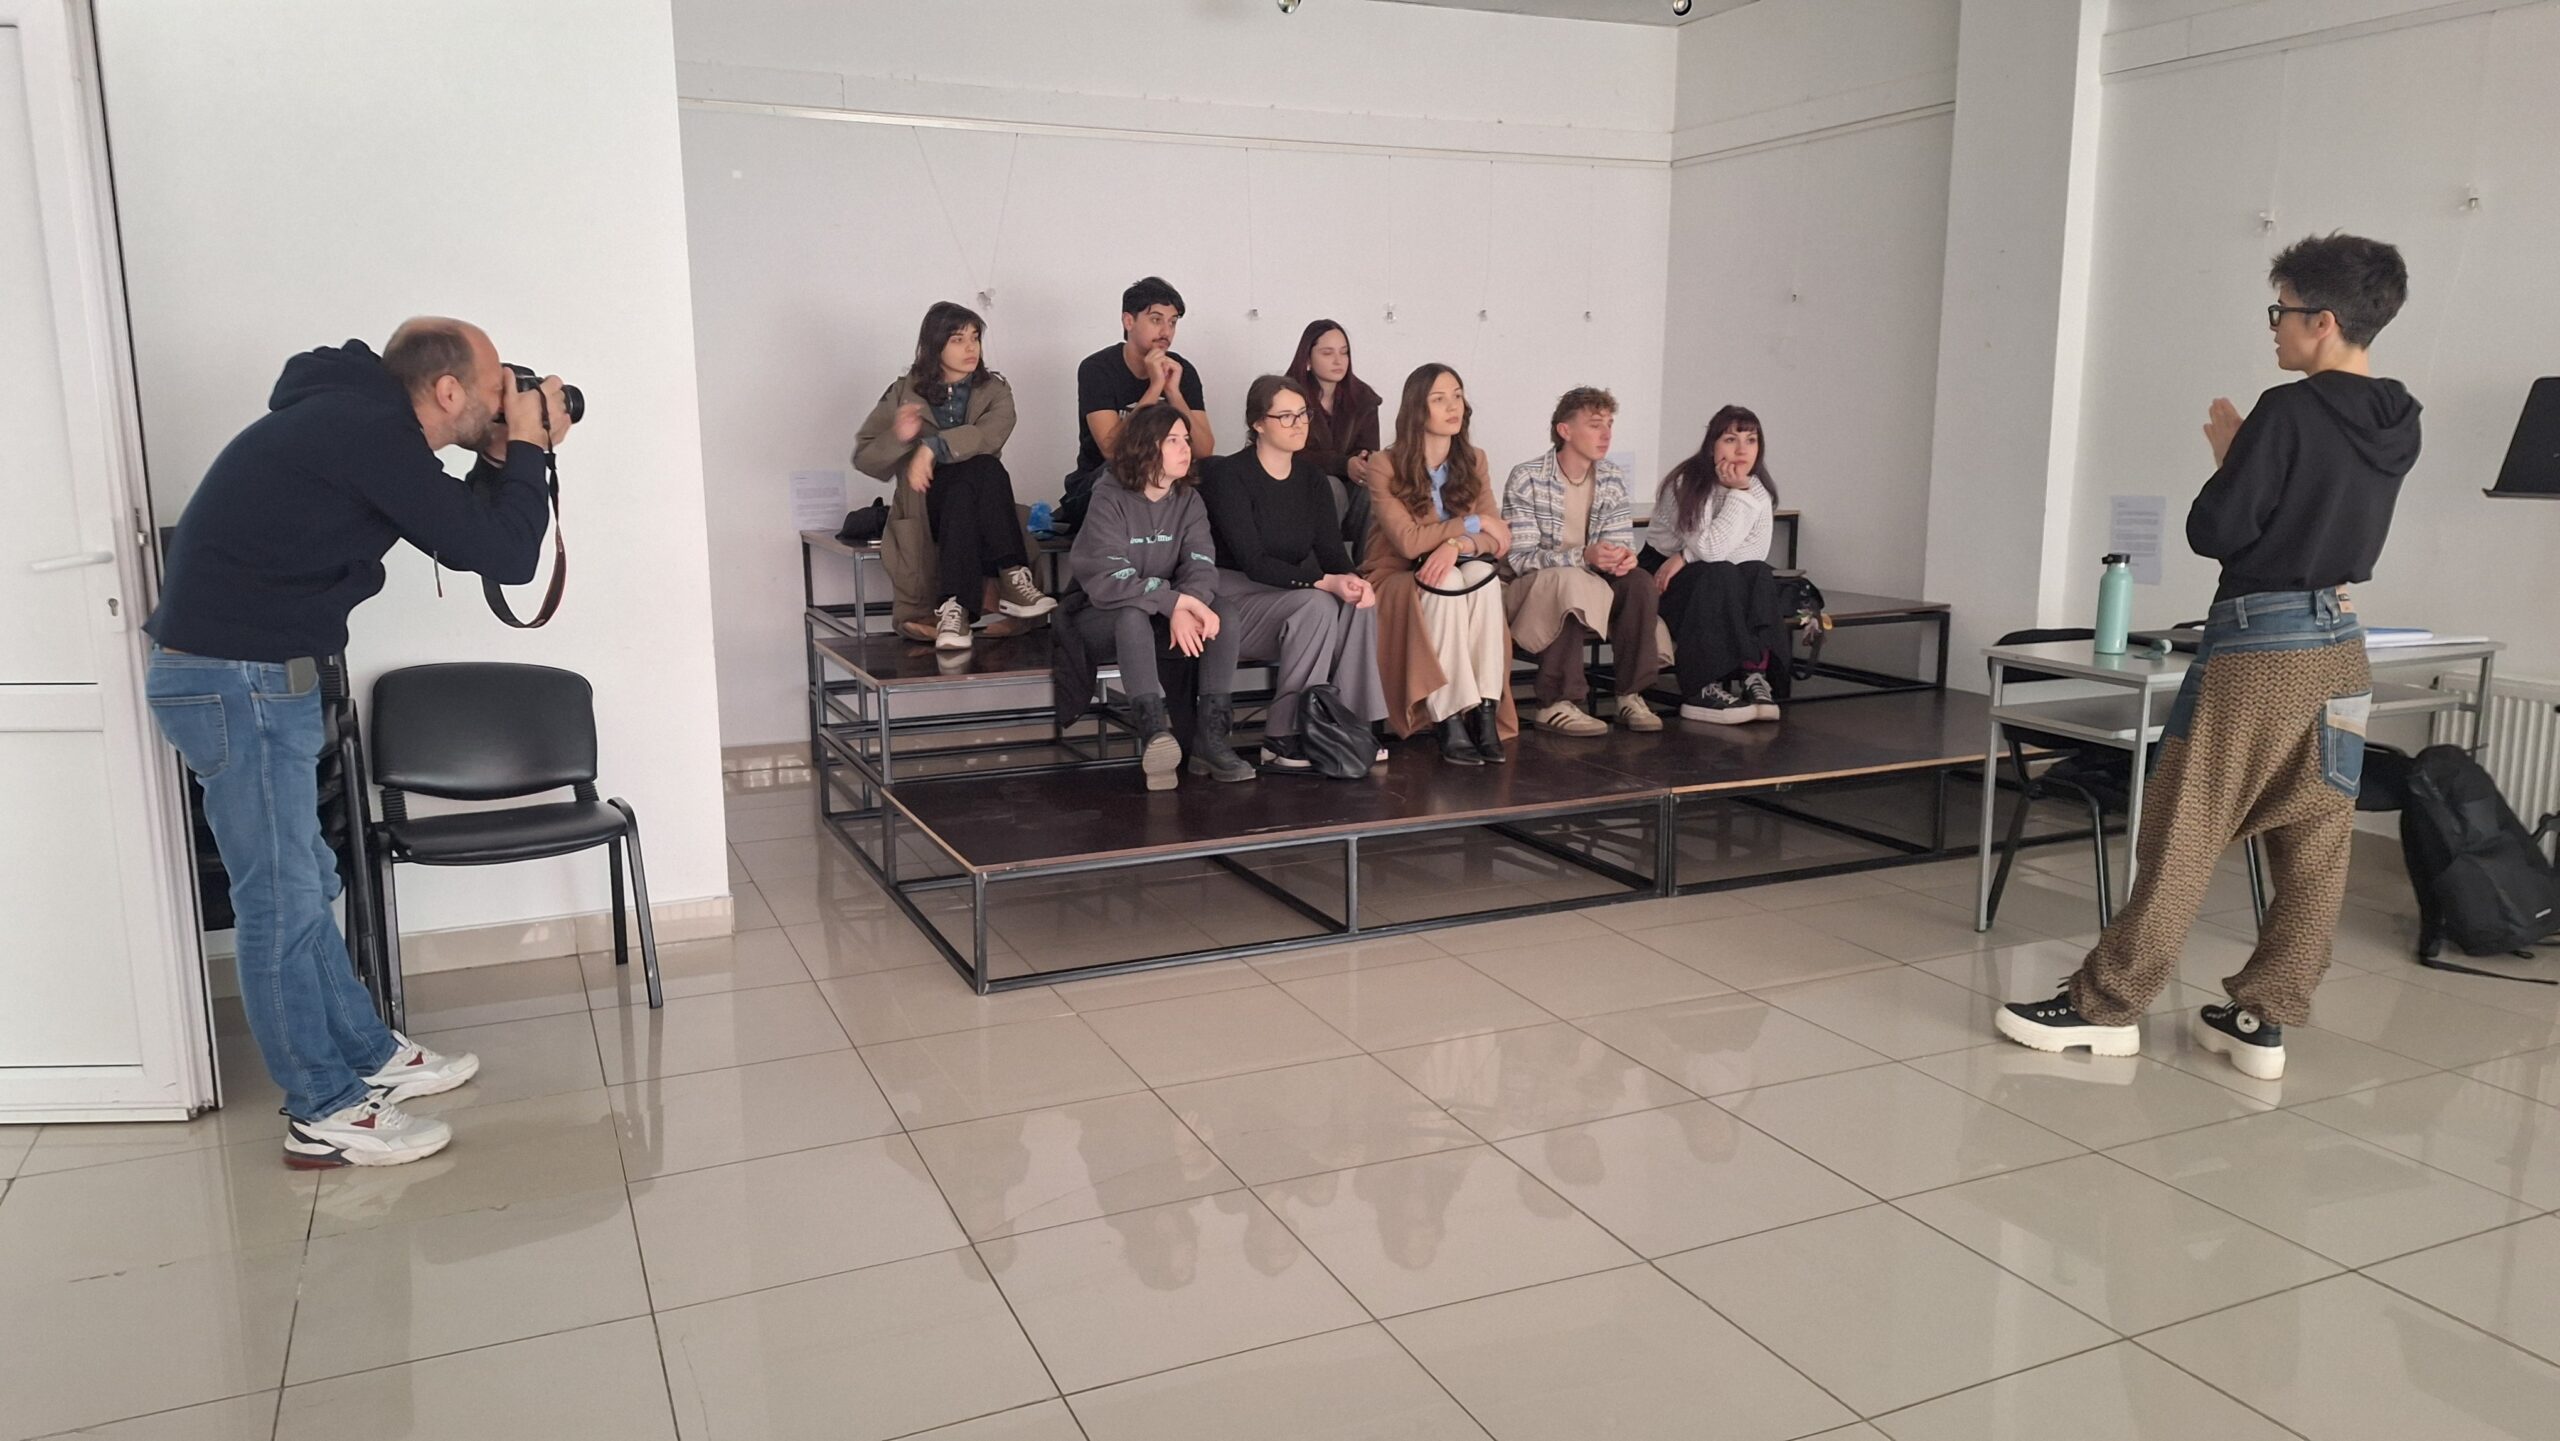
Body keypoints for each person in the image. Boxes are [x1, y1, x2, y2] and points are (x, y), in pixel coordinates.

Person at [1999, 233, 2419, 1083]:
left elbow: (2215, 529)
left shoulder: (2287, 411)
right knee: (2315, 840)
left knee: (2185, 825)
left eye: (2283, 311)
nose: (2275, 327)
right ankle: (2263, 1018)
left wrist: (2233, 456)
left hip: (2262, 647)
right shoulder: (2400, 417)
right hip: (2342, 648)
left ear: (2324, 320)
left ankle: (2106, 1007)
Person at [144, 318, 564, 1167]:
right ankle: (322, 1110)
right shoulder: (367, 431)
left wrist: (505, 456)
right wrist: (525, 448)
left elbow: (473, 531)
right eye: (496, 388)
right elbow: (504, 555)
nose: (504, 401)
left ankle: (368, 1055)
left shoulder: (355, 421)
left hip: (257, 674)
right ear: (447, 390)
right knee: (282, 899)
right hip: (240, 679)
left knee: (306, 879)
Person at [1199, 375, 1390, 772]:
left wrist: (1354, 581)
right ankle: (1282, 737)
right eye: (1285, 416)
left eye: (1303, 414)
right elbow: (1252, 560)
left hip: (1287, 595)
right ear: (1258, 423)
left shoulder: (1312, 479)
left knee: (1358, 602)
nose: (1299, 424)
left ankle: (1346, 726)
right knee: (1318, 603)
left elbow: (1331, 553)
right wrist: (1324, 582)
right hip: (1233, 597)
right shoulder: (1229, 475)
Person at [1065, 404, 1248, 790]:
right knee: (1132, 615)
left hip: (1162, 609)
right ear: (1146, 446)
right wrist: (1176, 603)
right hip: (1101, 612)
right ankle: (1154, 736)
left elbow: (1201, 564)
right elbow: (1111, 577)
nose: (1186, 448)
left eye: (1186, 439)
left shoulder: (1189, 500)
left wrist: (1187, 602)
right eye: (1173, 440)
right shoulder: (1108, 496)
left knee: (1225, 612)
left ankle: (1210, 740)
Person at [852, 301, 1053, 650]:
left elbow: (990, 436)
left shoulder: (996, 390)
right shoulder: (905, 391)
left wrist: (932, 448)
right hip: (926, 500)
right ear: (935, 345)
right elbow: (866, 458)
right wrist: (899, 436)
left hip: (977, 501)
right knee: (981, 472)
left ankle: (955, 607)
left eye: (975, 338)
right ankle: (1012, 575)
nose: (971, 348)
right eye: (958, 339)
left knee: (977, 473)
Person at [1360, 364, 1516, 764]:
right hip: (1397, 576)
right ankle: (1449, 715)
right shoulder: (1385, 464)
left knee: (1481, 574)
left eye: (1458, 396)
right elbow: (1408, 542)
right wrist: (1469, 526)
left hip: (1458, 567)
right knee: (1446, 580)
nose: (1453, 406)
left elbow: (1497, 540)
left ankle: (1484, 709)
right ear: (1418, 408)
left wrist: (1455, 544)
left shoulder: (1475, 460)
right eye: (1439, 398)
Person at [1502, 387, 1663, 736]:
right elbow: (1520, 559)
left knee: (1638, 582)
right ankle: (1555, 702)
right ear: (1565, 430)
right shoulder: (1527, 477)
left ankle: (1630, 695)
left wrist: (1621, 558)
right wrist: (1582, 556)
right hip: (1536, 587)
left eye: (1609, 424)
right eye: (1594, 424)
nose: (1606, 434)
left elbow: (1620, 541)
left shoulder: (1611, 477)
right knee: (1569, 580)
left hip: (1590, 580)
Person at [1645, 406, 1787, 726]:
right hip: (1662, 578)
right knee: (1720, 572)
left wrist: (1685, 556)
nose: (1742, 450)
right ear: (1712, 446)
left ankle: (1754, 675)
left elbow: (1754, 552)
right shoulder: (1687, 484)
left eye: (1751, 440)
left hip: (1703, 572)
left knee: (1757, 572)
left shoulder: (1757, 490)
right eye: (1731, 439)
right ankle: (1700, 688)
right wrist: (1738, 495)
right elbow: (1711, 549)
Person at [1058, 276, 1216, 532]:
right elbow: (1112, 450)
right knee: (1123, 469)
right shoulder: (1097, 369)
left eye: (1172, 322)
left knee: (1216, 470)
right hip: (1099, 482)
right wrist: (1155, 387)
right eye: (1156, 320)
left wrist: (1173, 392)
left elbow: (1204, 450)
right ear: (1128, 321)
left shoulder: (1181, 370)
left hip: (1167, 481)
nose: (1166, 331)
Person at [1283, 319, 1385, 544]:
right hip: (1296, 486)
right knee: (1331, 487)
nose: (1339, 361)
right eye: (1328, 353)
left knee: (1374, 487)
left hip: (1348, 486)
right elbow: (1288, 453)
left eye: (1344, 352)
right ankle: (1326, 560)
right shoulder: (1287, 395)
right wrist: (1342, 464)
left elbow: (1368, 448)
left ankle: (1369, 563)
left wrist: (1363, 462)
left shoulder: (1364, 397)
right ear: (1307, 359)